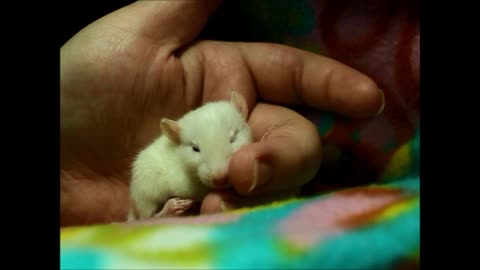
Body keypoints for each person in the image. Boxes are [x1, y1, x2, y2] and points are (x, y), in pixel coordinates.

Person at [60, 0, 384, 227]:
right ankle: (152, 218)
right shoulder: (167, 151)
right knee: (147, 170)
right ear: (174, 135)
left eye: (232, 139)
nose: (218, 172)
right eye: (197, 149)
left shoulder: (231, 116)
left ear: (241, 116)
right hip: (143, 206)